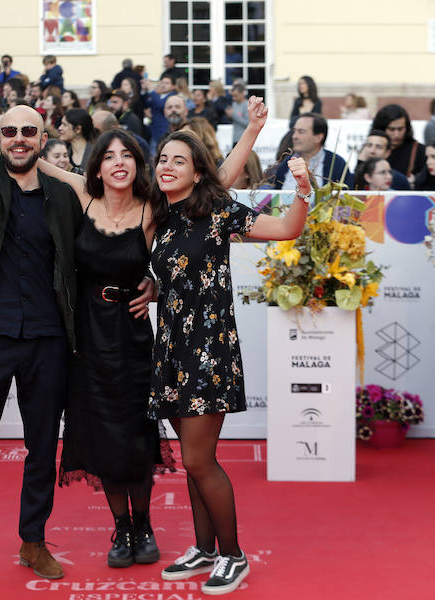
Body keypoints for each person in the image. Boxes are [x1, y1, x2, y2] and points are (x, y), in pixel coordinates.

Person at [0, 36, 154, 587]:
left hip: (49, 341)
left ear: (44, 138)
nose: (18, 140)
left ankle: (33, 541)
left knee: (43, 446)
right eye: (9, 131)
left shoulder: (66, 198)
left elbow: (111, 247)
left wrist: (150, 281)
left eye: (28, 132)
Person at [150, 104, 310, 595]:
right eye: (163, 158)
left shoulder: (217, 210)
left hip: (209, 349)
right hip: (172, 348)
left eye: (179, 160)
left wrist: (303, 190)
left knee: (200, 460)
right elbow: (167, 277)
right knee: (189, 456)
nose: (167, 166)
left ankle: (234, 556)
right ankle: (204, 548)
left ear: (198, 172)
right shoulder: (160, 216)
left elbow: (287, 230)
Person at [271, 113, 351, 188]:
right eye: (294, 131)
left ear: (318, 138)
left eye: (301, 132)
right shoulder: (286, 164)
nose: (294, 136)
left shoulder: (337, 165)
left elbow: (344, 197)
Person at [371, 104, 425, 185]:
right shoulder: (372, 149)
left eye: (400, 129)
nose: (396, 134)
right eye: (391, 129)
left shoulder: (419, 150)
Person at [58, 108, 96, 175]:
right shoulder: (64, 151)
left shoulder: (95, 153)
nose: (60, 128)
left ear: (78, 129)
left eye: (64, 124)